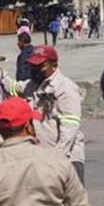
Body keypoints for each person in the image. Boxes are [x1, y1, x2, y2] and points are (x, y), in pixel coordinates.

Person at [5, 45, 87, 182]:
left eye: (39, 66)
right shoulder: (32, 85)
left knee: (71, 202)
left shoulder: (65, 88)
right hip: (44, 158)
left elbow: (69, 129)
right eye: (32, 66)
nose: (34, 70)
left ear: (53, 65)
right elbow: (13, 87)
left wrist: (56, 159)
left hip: (66, 159)